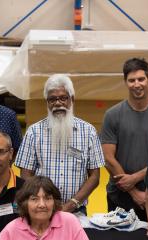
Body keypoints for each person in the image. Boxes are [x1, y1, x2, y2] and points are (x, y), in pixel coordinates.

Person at [15, 74, 105, 213]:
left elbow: (94, 176)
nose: (58, 103)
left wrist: (72, 203)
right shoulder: (34, 132)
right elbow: (26, 175)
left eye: (63, 98)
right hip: (41, 211)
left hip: (77, 211)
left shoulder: (89, 132)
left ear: (72, 99)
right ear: (47, 102)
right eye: (52, 99)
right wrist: (41, 201)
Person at [101, 58, 148, 219]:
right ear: (125, 82)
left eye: (141, 79)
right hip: (119, 196)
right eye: (131, 80)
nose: (137, 84)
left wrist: (135, 178)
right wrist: (133, 191)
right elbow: (108, 158)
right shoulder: (112, 115)